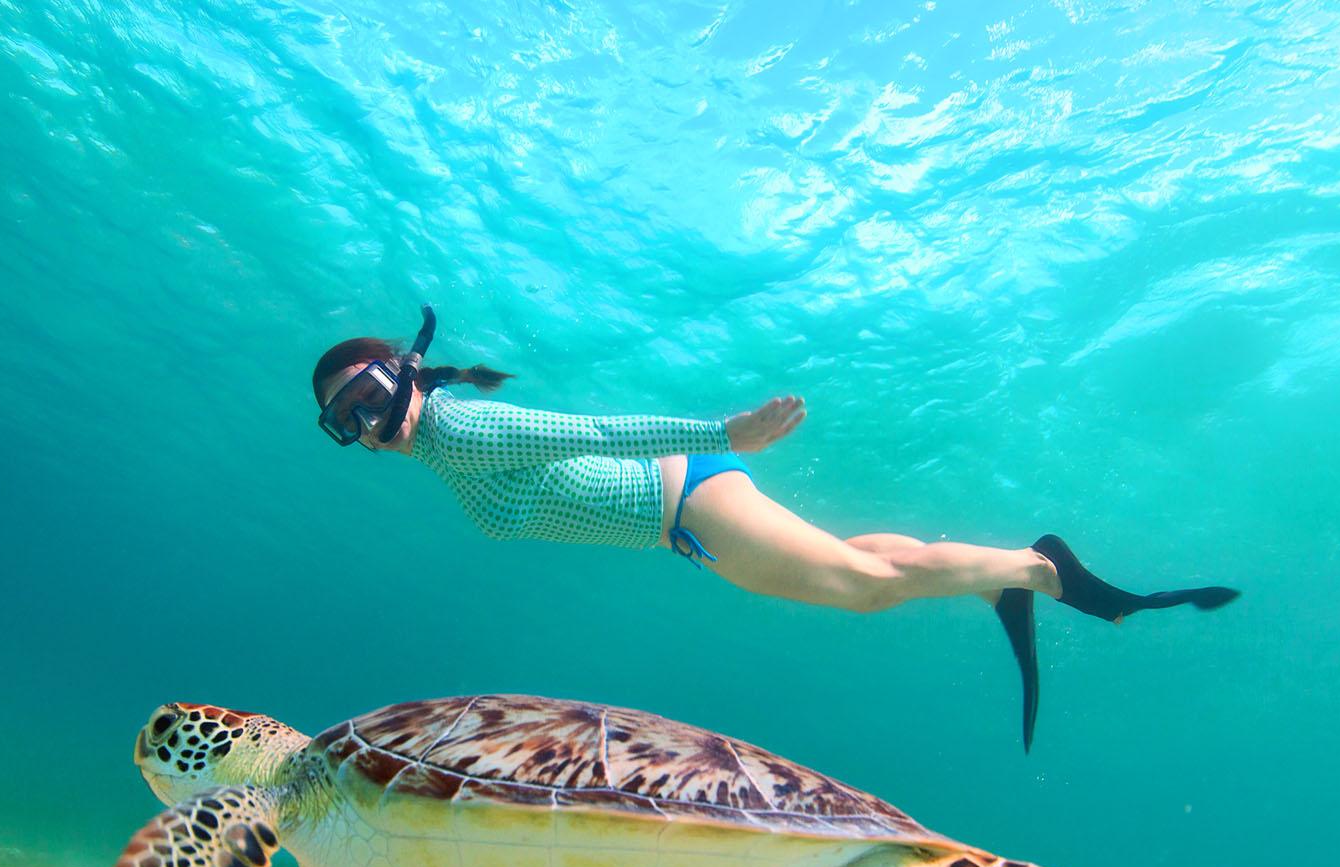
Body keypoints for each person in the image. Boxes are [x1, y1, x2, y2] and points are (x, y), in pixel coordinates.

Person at [312, 310, 1237, 749]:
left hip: (683, 502)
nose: (362, 423)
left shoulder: (459, 428)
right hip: (684, 513)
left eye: (363, 396)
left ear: (402, 375)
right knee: (865, 566)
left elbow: (592, 432)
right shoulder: (443, 447)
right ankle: (1008, 575)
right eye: (341, 421)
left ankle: (1040, 572)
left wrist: (727, 433)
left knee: (863, 593)